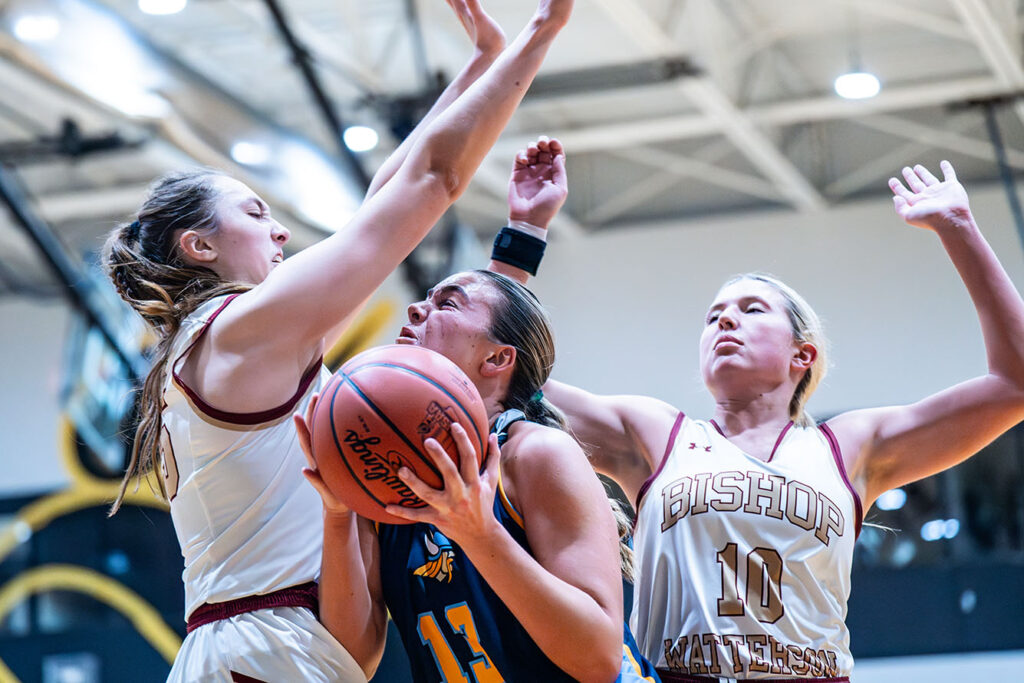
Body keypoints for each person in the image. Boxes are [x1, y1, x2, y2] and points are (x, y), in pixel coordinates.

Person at [101, 0, 574, 679]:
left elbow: (379, 206)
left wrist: (478, 67)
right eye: (255, 212)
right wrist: (540, 35)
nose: (281, 232)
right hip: (267, 645)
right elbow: (430, 183)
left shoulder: (221, 340)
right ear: (199, 244)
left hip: (257, 642)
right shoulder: (243, 332)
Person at [540, 161, 1024, 681]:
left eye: (752, 310)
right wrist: (526, 232)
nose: (725, 319)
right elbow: (501, 377)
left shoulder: (850, 447)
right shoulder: (659, 434)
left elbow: (1014, 385)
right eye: (714, 315)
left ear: (803, 356)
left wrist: (959, 229)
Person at [296, 264, 659, 683]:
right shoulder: (385, 481)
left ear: (497, 358)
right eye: (424, 299)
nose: (414, 309)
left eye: (446, 303)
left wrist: (479, 534)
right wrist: (339, 513)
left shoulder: (535, 454)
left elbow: (599, 659)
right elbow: (356, 658)